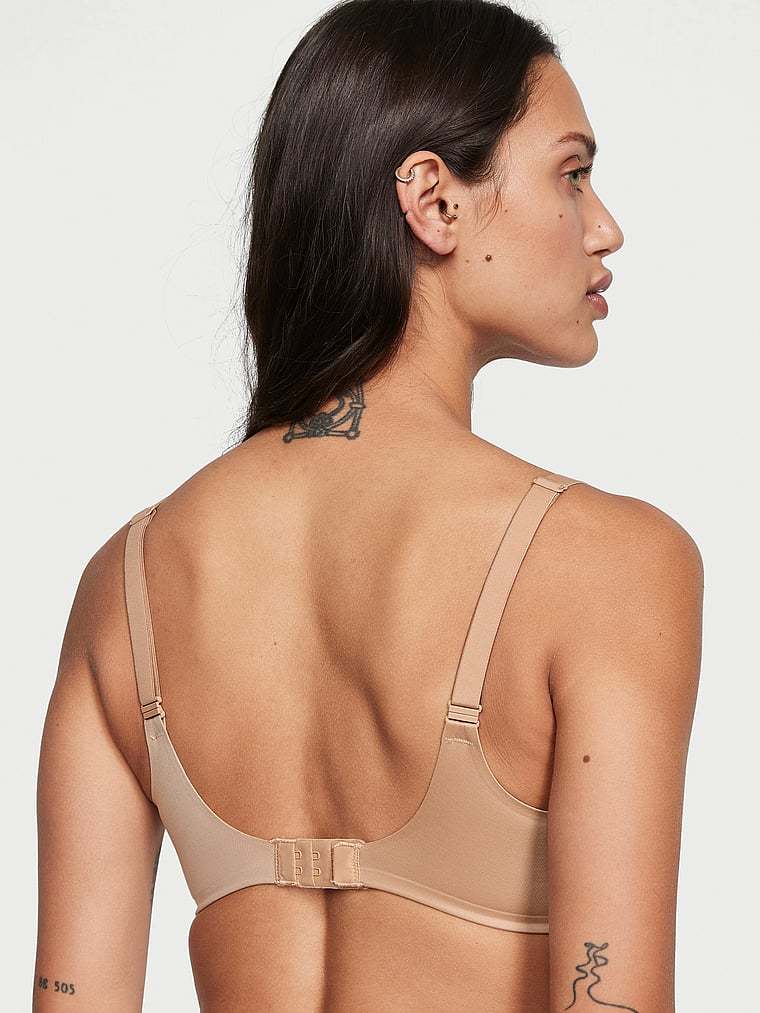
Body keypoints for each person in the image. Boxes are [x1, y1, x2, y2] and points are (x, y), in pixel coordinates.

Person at [33, 2, 703, 1010]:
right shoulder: (607, 562)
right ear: (433, 201)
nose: (604, 226)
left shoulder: (124, 585)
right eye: (571, 173)